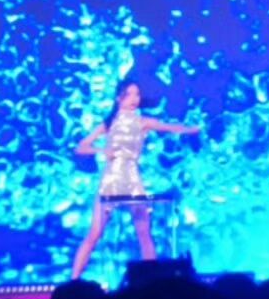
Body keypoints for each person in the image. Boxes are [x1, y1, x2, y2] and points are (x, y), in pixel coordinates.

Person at [71, 79, 202, 277]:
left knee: (144, 233)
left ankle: (152, 281)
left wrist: (192, 129)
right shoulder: (109, 123)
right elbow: (81, 147)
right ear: (119, 98)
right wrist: (102, 151)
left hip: (132, 180)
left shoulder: (143, 122)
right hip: (111, 180)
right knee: (95, 233)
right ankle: (73, 281)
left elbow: (169, 127)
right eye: (129, 94)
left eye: (137, 94)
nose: (134, 99)